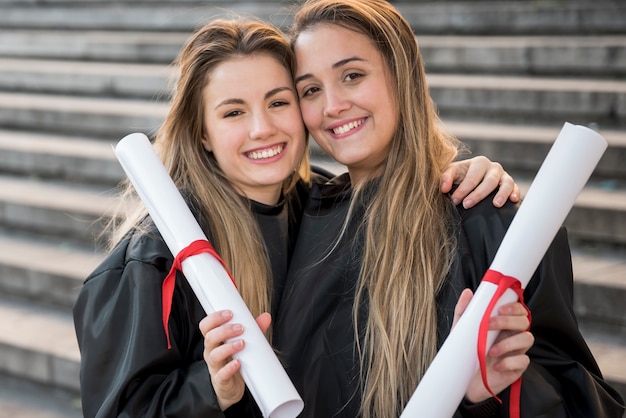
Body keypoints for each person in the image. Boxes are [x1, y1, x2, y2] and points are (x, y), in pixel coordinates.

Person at [72, 17, 521, 418]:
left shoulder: (328, 209)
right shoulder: (153, 262)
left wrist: (465, 170)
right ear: (202, 135)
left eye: (279, 101)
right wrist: (210, 388)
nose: (262, 128)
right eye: (233, 112)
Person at [269, 1, 626, 417]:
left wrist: (488, 393)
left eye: (352, 75)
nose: (332, 105)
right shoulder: (299, 214)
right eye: (310, 89)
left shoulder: (492, 223)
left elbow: (579, 398)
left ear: (401, 76)